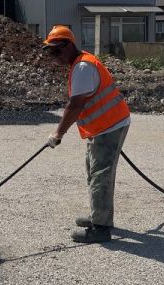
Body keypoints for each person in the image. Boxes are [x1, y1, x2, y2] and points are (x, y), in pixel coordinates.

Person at [42, 25, 131, 243]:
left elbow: (75, 106)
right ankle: (97, 216)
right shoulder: (81, 63)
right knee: (94, 173)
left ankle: (100, 228)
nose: (53, 56)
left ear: (69, 46)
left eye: (56, 51)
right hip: (103, 127)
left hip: (109, 126)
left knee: (100, 176)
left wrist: (58, 134)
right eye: (50, 52)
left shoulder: (82, 67)